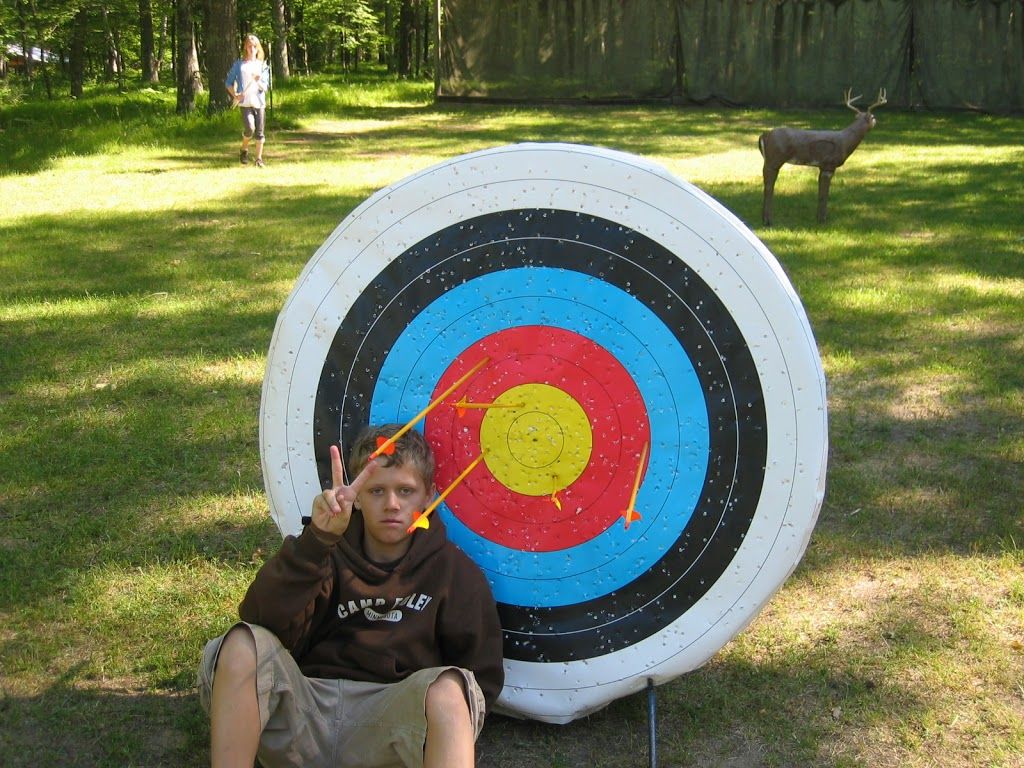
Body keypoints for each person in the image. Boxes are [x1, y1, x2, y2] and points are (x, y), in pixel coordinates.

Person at [197, 425, 505, 768]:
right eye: (376, 491)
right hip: (307, 715)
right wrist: (317, 541)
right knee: (241, 643)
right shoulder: (323, 550)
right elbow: (260, 617)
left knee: (451, 689)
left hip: (391, 728)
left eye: (405, 490)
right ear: (356, 496)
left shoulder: (453, 572)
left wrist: (438, 721)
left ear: (429, 495)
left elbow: (480, 678)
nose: (391, 504)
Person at [225, 34, 271, 167]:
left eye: (254, 46)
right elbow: (228, 83)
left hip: (259, 102)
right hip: (245, 103)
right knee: (250, 128)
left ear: (258, 48)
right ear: (245, 47)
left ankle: (258, 159)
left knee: (260, 132)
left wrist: (259, 81)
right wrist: (235, 95)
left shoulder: (262, 66)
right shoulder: (239, 65)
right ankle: (244, 149)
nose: (252, 48)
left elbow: (265, 87)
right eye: (249, 46)